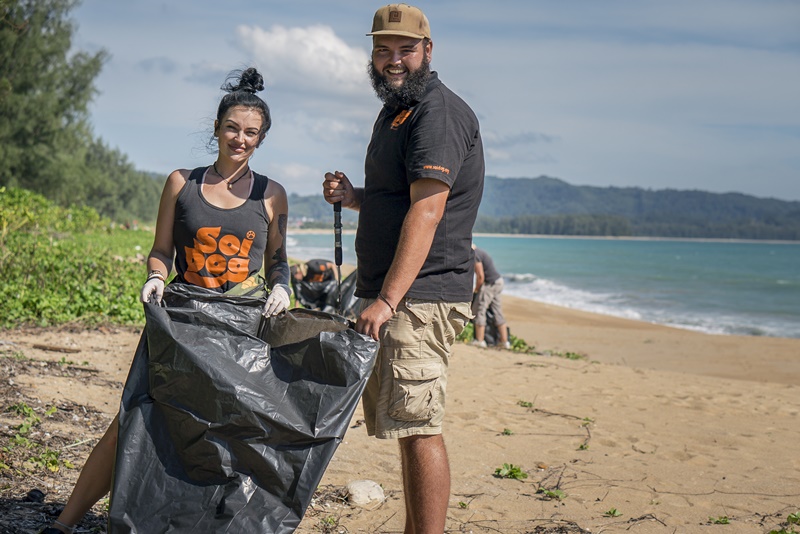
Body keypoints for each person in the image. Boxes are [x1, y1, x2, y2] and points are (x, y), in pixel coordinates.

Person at [41, 67, 291, 534]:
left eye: (251, 132)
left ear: (261, 139)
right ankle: (63, 524)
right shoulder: (182, 183)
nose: (240, 138)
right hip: (180, 322)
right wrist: (156, 277)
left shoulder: (272, 194)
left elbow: (278, 262)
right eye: (233, 128)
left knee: (224, 436)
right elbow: (162, 251)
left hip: (240, 328)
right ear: (216, 128)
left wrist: (281, 287)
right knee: (134, 420)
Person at [322, 4, 484, 532]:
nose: (393, 60)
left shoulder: (437, 112)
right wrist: (354, 198)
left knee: (420, 427)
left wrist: (387, 300)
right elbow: (399, 198)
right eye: (383, 50)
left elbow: (429, 208)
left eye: (405, 50)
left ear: (428, 51)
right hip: (402, 294)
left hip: (422, 297)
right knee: (407, 424)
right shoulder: (399, 109)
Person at [471, 244, 510, 349]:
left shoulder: (475, 254)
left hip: (490, 284)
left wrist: (476, 291)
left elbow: (480, 276)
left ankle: (479, 340)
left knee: (479, 309)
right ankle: (504, 342)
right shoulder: (480, 251)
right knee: (497, 311)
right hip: (498, 281)